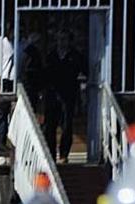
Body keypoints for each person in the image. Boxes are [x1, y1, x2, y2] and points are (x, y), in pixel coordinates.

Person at [44, 29, 86, 163]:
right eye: (59, 39)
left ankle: (63, 155)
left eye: (64, 39)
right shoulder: (51, 56)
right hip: (52, 95)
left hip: (68, 96)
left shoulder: (75, 55)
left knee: (67, 126)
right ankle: (50, 154)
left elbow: (85, 71)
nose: (62, 42)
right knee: (50, 126)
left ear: (69, 41)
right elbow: (45, 73)